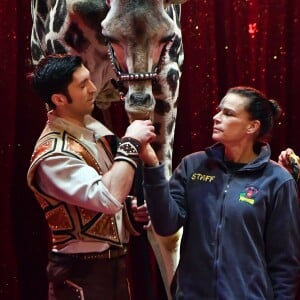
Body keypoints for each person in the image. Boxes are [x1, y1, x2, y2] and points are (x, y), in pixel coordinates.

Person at [139, 86, 300, 299]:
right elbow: (166, 224)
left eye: (228, 113)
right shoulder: (193, 166)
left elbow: (284, 262)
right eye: (219, 110)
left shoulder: (277, 180)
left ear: (252, 126)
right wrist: (152, 166)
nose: (216, 117)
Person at [26, 54, 156, 300]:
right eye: (83, 85)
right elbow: (106, 198)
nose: (94, 89)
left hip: (112, 267)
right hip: (81, 273)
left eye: (90, 80)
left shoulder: (92, 131)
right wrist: (130, 143)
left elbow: (100, 198)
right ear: (59, 99)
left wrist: (128, 212)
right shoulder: (53, 153)